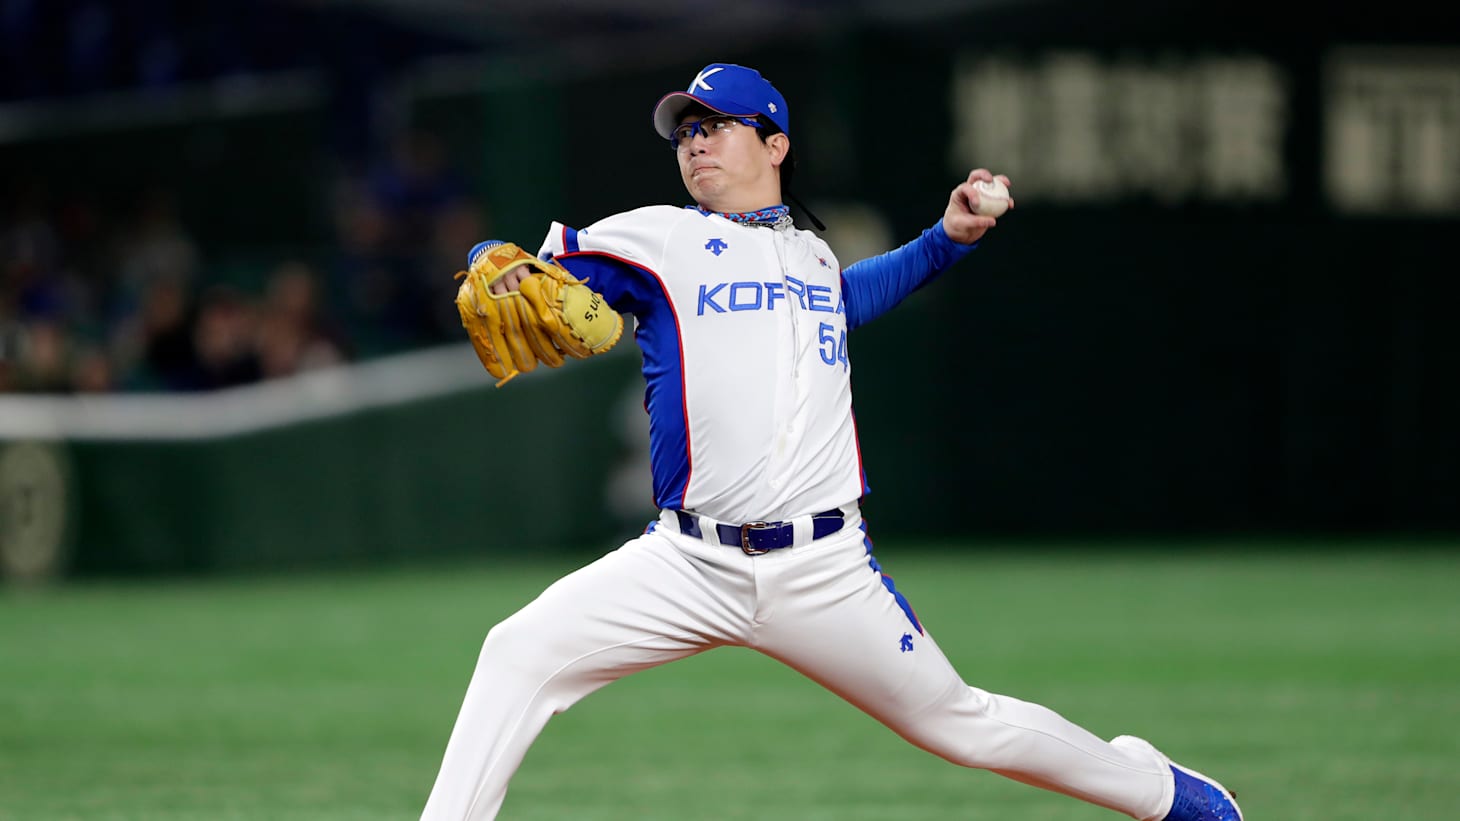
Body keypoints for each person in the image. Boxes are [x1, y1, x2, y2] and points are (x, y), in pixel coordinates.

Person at [421, 63, 1243, 821]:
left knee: (962, 723)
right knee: (517, 651)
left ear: (775, 144)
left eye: (716, 125)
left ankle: (1169, 793)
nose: (695, 143)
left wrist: (946, 240)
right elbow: (528, 271)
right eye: (685, 132)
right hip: (686, 562)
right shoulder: (658, 239)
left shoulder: (812, 256)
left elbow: (849, 296)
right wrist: (489, 258)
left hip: (822, 569)